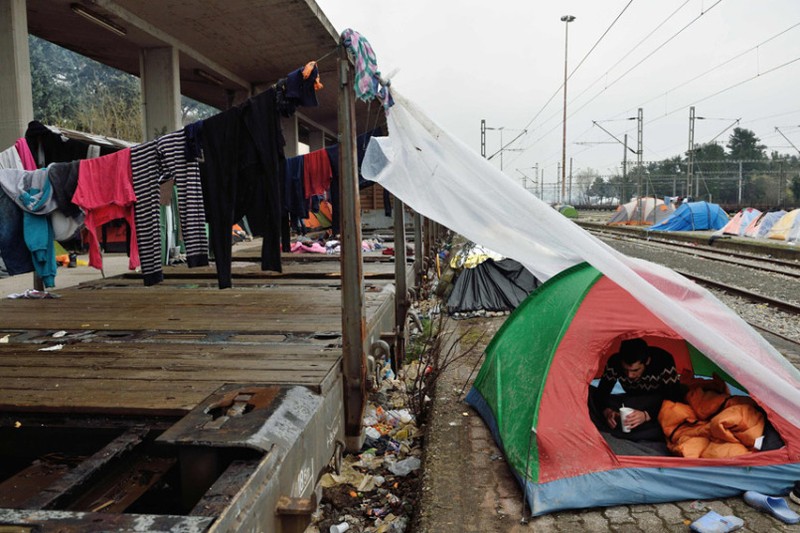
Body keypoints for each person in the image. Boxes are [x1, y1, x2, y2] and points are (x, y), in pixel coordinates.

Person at [591, 338, 685, 441]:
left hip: (657, 402)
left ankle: (638, 428)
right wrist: (607, 411)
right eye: (625, 370)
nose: (630, 375)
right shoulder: (614, 362)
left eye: (635, 370)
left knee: (675, 412)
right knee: (589, 394)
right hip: (630, 400)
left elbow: (674, 398)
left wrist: (646, 415)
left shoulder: (663, 360)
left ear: (647, 361)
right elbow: (602, 393)